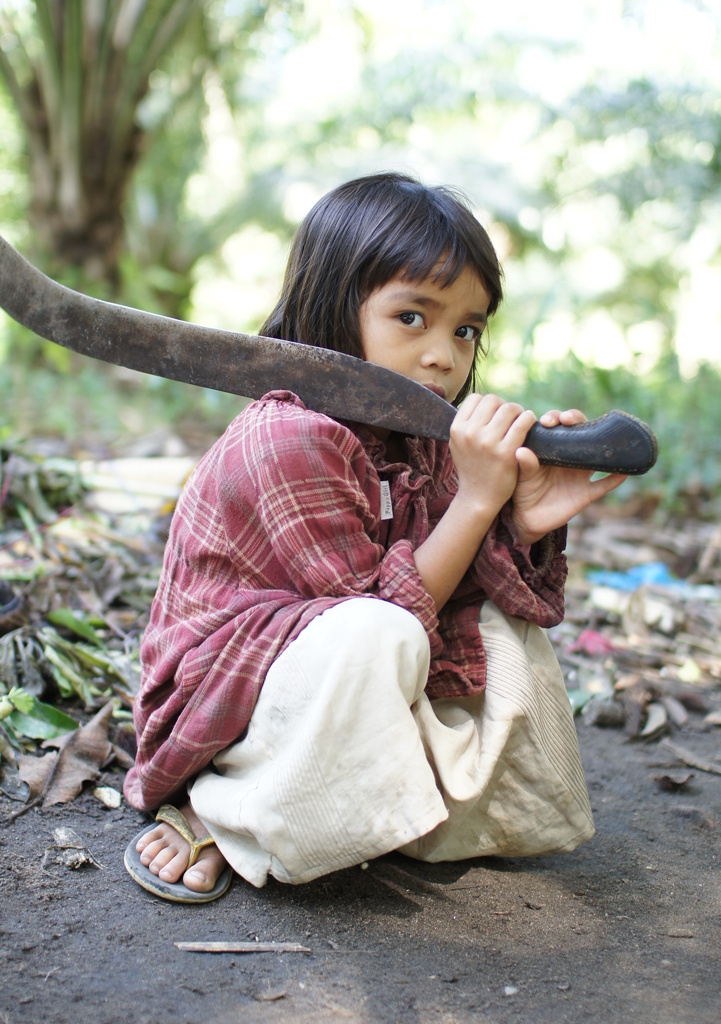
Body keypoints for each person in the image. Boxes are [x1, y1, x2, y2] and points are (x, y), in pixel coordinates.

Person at [123, 172, 626, 903]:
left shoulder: (418, 436)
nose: (443, 356)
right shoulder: (288, 437)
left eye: (465, 330)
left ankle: (386, 815)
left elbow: (445, 591)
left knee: (503, 630)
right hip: (226, 704)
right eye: (412, 318)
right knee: (375, 634)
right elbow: (378, 614)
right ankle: (226, 807)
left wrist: (514, 517)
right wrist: (476, 503)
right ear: (334, 307)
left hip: (351, 673)